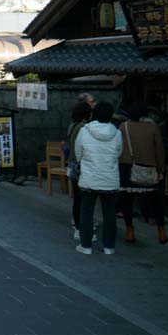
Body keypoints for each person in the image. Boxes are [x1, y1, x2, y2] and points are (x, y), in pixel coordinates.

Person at [74, 101, 122, 255]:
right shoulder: (117, 133)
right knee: (109, 214)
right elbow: (118, 153)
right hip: (110, 178)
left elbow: (78, 153)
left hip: (89, 177)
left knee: (86, 212)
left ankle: (86, 246)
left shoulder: (84, 131)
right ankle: (109, 247)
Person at [119, 102, 168, 245]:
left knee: (127, 201)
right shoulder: (153, 128)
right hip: (149, 167)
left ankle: (130, 230)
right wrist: (161, 170)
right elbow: (159, 150)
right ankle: (161, 230)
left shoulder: (124, 126)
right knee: (156, 201)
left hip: (127, 167)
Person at [66, 100, 92, 242]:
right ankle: (79, 225)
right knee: (82, 198)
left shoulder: (72, 125)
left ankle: (77, 223)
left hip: (72, 164)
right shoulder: (83, 127)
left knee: (78, 197)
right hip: (79, 165)